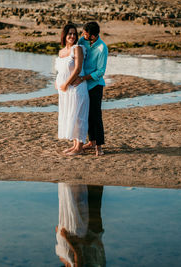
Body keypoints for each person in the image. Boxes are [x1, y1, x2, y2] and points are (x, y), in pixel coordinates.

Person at [74, 22, 108, 156]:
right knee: (86, 115)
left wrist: (84, 78)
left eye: (85, 34)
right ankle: (91, 141)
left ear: (93, 36)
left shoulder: (102, 48)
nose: (82, 35)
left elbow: (101, 71)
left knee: (96, 116)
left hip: (95, 85)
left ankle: (99, 146)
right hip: (83, 84)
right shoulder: (83, 40)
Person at [55, 24, 90, 156]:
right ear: (64, 35)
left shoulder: (77, 49)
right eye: (70, 33)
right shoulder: (61, 52)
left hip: (75, 88)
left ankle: (79, 147)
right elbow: (60, 70)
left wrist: (65, 84)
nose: (72, 36)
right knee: (70, 115)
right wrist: (57, 82)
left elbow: (78, 69)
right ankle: (75, 145)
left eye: (74, 34)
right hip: (64, 91)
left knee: (78, 116)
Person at [55, 183, 106, 267]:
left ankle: (94, 183)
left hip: (88, 236)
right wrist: (67, 238)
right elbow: (78, 251)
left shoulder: (66, 261)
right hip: (87, 234)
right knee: (88, 204)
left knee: (90, 204)